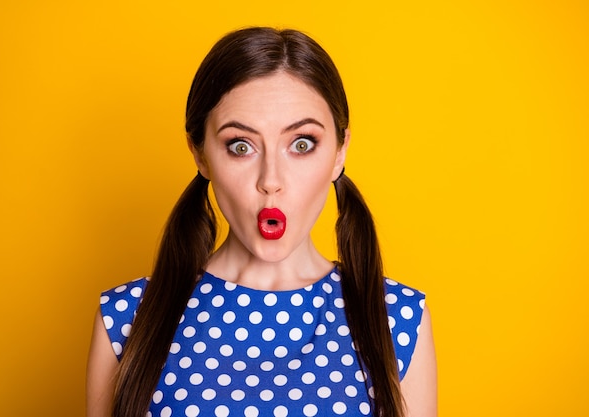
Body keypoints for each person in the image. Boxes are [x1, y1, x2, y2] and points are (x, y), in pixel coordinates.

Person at [86, 27, 437, 417]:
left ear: (340, 152)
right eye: (241, 146)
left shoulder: (397, 320)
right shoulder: (127, 319)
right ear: (200, 154)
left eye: (301, 144)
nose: (271, 180)